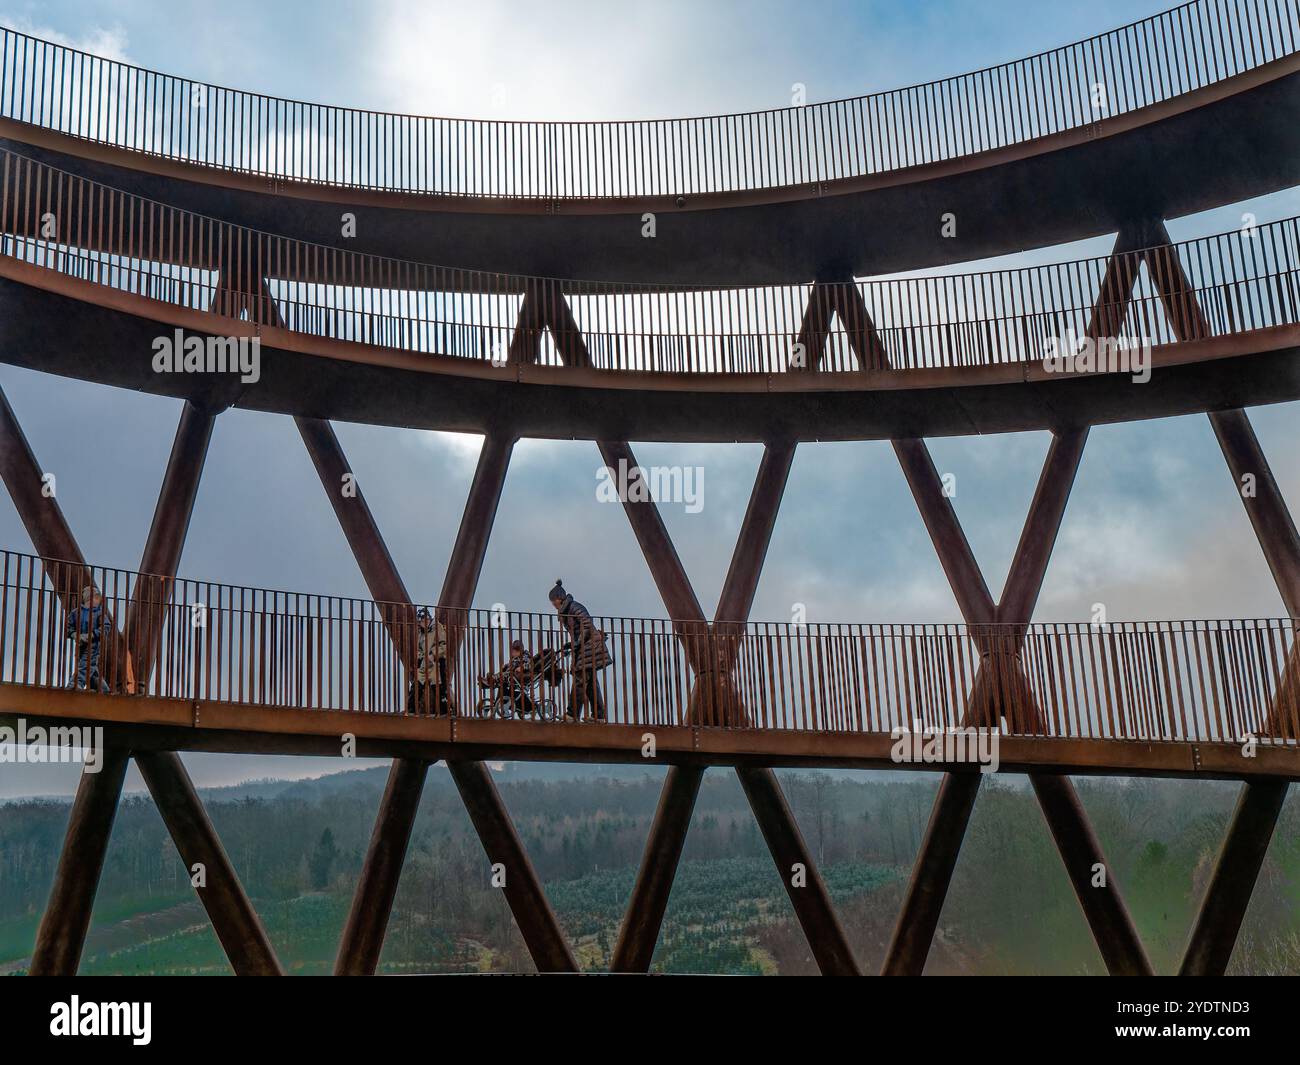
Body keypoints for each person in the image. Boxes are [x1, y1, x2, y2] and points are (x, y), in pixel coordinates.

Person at [547, 579, 609, 722]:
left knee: (580, 681)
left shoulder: (573, 607)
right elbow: (579, 631)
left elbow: (586, 625)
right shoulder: (567, 610)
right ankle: (599, 716)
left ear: (558, 598)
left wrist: (577, 643)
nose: (553, 605)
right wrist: (572, 644)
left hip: (589, 647)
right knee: (591, 683)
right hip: (586, 647)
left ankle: (571, 715)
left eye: (553, 601)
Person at [66, 585, 109, 692]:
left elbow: (105, 627)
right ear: (89, 598)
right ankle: (103, 689)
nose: (97, 601)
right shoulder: (76, 613)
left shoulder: (99, 613)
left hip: (94, 644)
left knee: (86, 664)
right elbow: (68, 627)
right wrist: (75, 635)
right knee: (90, 666)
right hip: (80, 644)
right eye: (96, 598)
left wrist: (91, 635)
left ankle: (75, 684)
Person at [407, 607, 450, 715]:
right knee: (417, 685)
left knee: (439, 688)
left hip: (437, 663)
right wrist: (422, 657)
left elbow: (444, 645)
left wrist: (433, 654)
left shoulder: (437, 628)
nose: (423, 623)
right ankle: (411, 710)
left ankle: (445, 711)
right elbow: (418, 650)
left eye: (425, 620)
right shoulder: (420, 633)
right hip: (424, 664)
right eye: (421, 621)